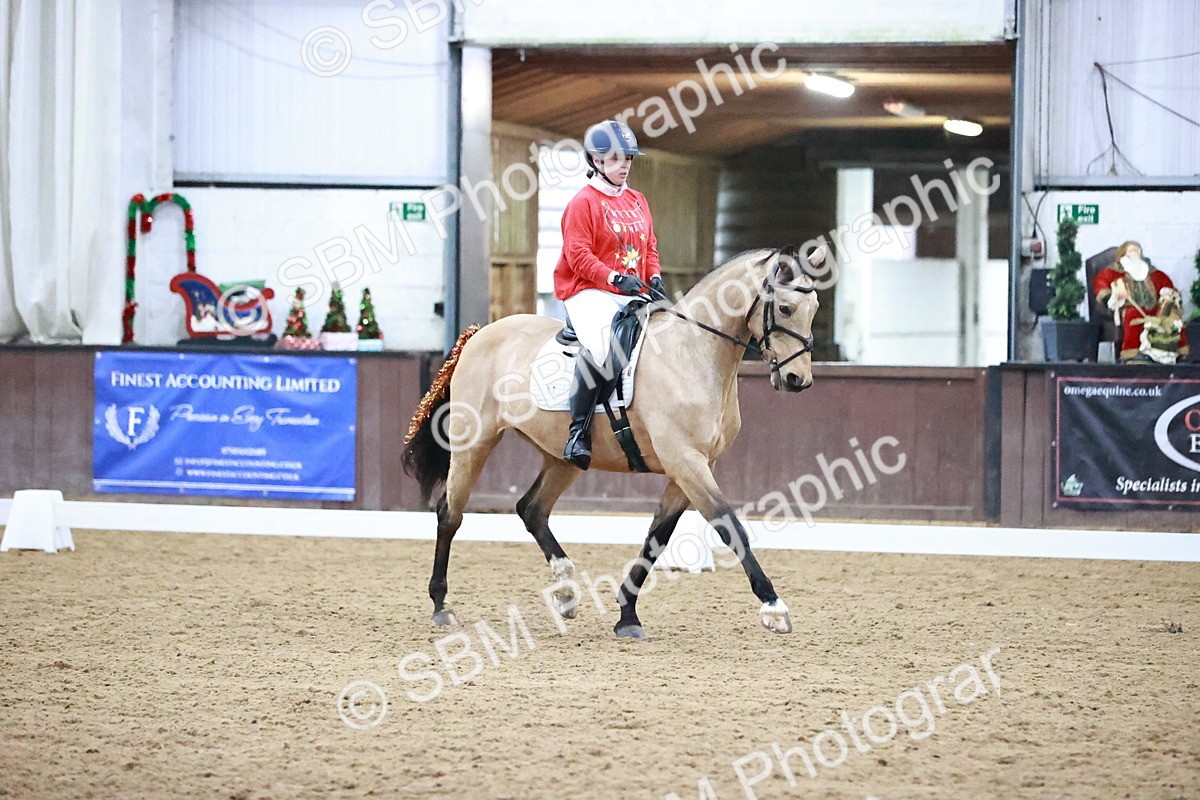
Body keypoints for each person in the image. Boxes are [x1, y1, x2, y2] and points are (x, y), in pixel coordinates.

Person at [553, 120, 666, 469]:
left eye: (628, 159)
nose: (624, 165)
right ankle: (578, 433)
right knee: (603, 346)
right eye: (616, 159)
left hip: (629, 289)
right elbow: (579, 256)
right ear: (596, 161)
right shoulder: (582, 203)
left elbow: (649, 247)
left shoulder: (637, 200)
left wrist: (655, 276)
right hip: (587, 290)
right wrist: (616, 278)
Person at [1093, 241, 1190, 363]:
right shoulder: (1112, 272)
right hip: (1128, 306)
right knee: (1133, 315)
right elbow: (1101, 287)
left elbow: (1168, 286)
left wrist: (1169, 296)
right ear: (1123, 254)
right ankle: (1132, 353)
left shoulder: (1153, 273)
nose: (1134, 253)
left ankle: (1177, 351)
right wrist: (1114, 294)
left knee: (1172, 316)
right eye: (1131, 250)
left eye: (1136, 250)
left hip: (1154, 306)